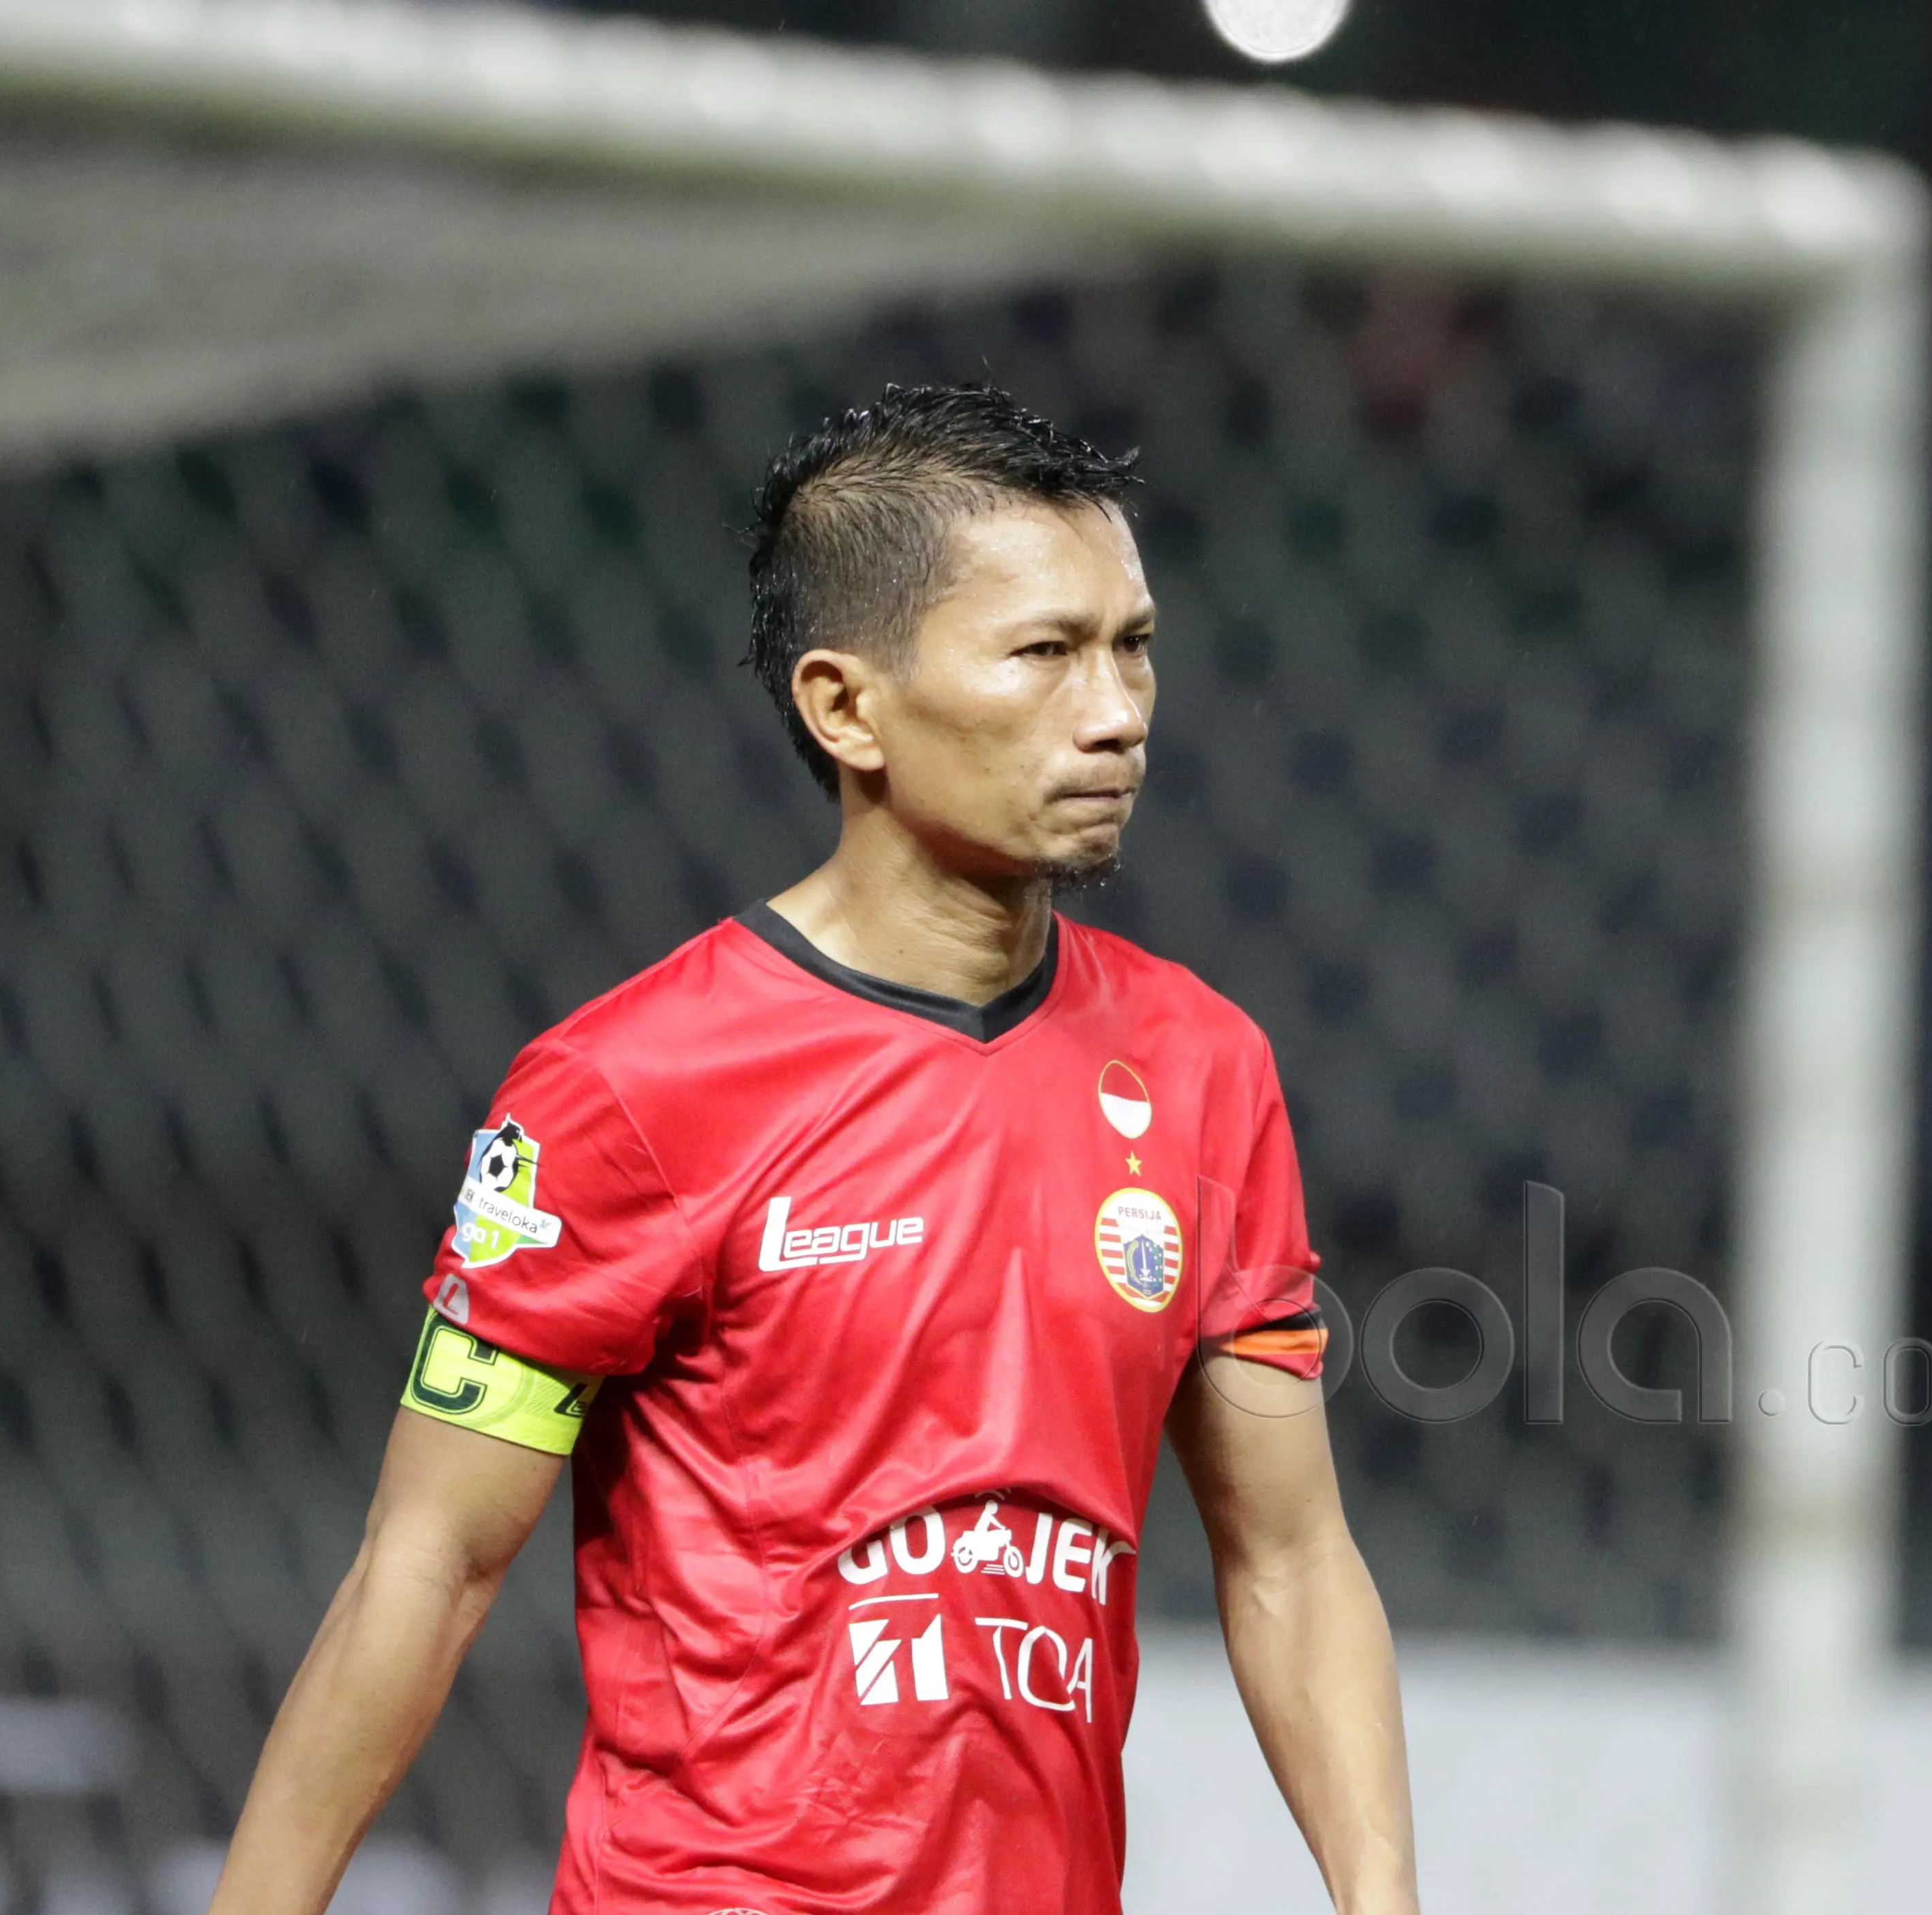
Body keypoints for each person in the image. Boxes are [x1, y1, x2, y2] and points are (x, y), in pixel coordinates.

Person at [208, 384, 1416, 1915]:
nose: (1113, 711)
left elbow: (1293, 1563)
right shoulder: (626, 1087)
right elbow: (424, 1566)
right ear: (845, 707)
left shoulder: (1199, 1069)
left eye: (1134, 646)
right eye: (1043, 653)